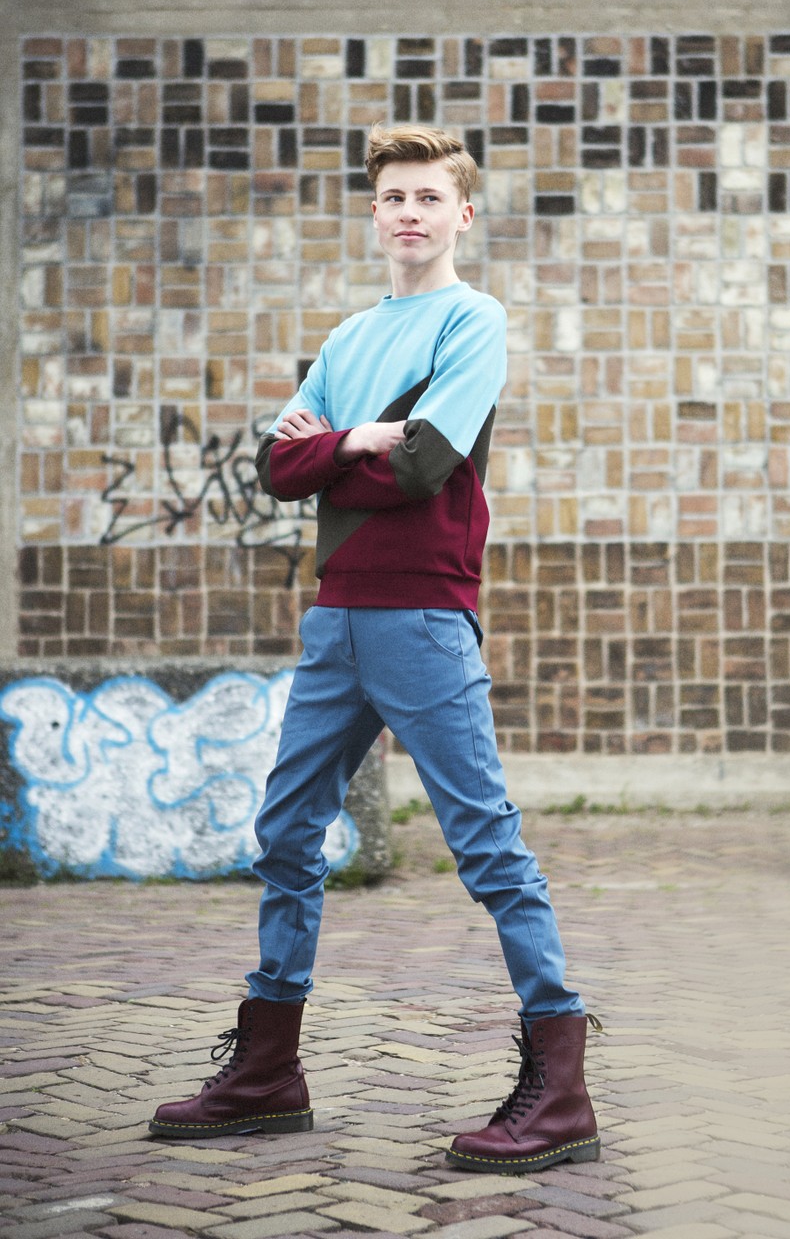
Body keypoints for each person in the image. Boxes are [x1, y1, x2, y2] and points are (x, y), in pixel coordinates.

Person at [148, 123, 602, 1173]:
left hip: (421, 617)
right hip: (335, 618)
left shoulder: (473, 319)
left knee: (486, 848)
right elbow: (275, 469)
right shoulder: (349, 338)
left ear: (462, 214)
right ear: (373, 212)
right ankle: (267, 1072)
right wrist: (353, 437)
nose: (410, 212)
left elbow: (424, 465)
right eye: (394, 197)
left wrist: (328, 449)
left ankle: (561, 1090)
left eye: (429, 197)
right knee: (285, 835)